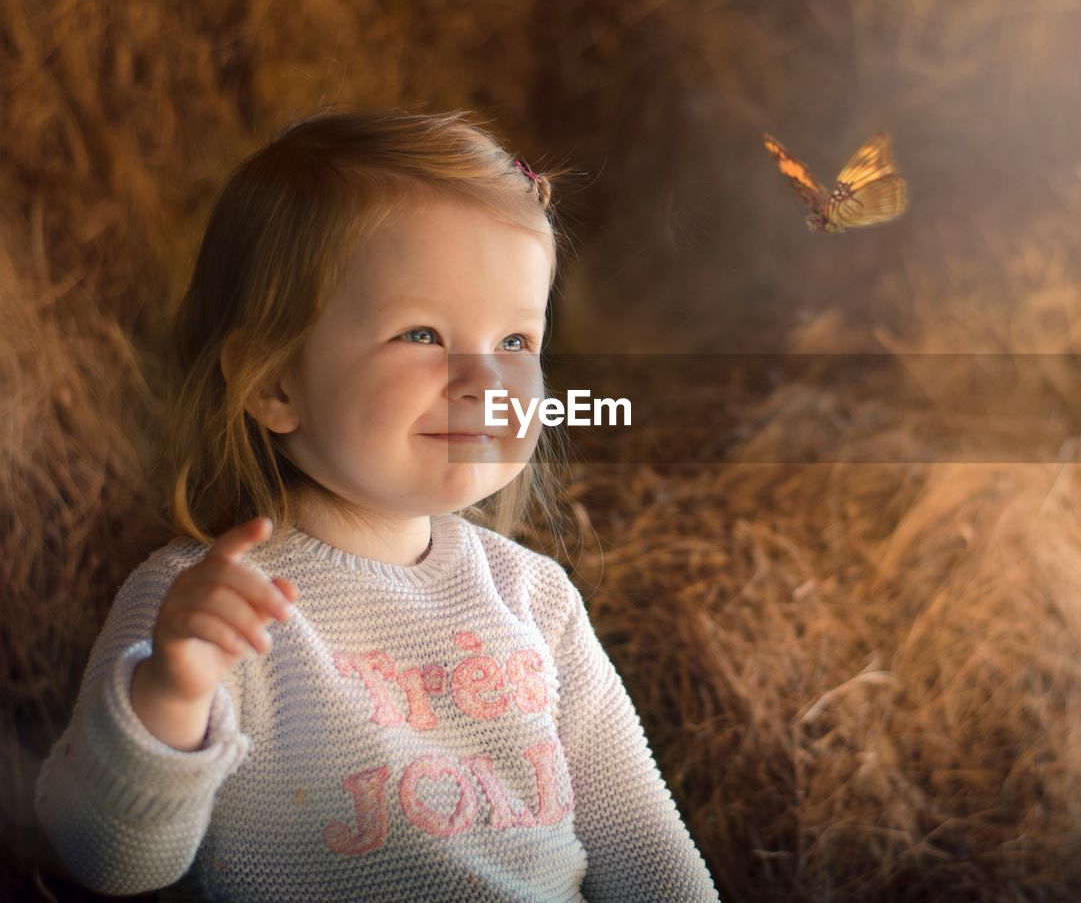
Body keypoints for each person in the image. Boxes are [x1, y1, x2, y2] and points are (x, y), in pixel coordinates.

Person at [34, 109, 720, 902]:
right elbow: (110, 863)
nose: (485, 382)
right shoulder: (207, 608)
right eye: (423, 334)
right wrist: (170, 695)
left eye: (514, 343)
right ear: (275, 383)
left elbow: (643, 848)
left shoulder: (536, 598)